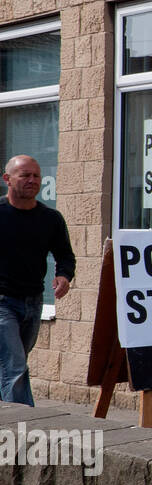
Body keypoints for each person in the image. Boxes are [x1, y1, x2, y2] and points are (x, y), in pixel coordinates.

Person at [0, 155, 75, 406]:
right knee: (15, 367)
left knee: (12, 364)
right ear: (7, 179)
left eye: (36, 176)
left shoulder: (50, 219)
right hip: (2, 304)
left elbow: (65, 255)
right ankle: (26, 427)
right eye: (25, 175)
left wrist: (64, 276)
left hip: (33, 303)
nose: (32, 181)